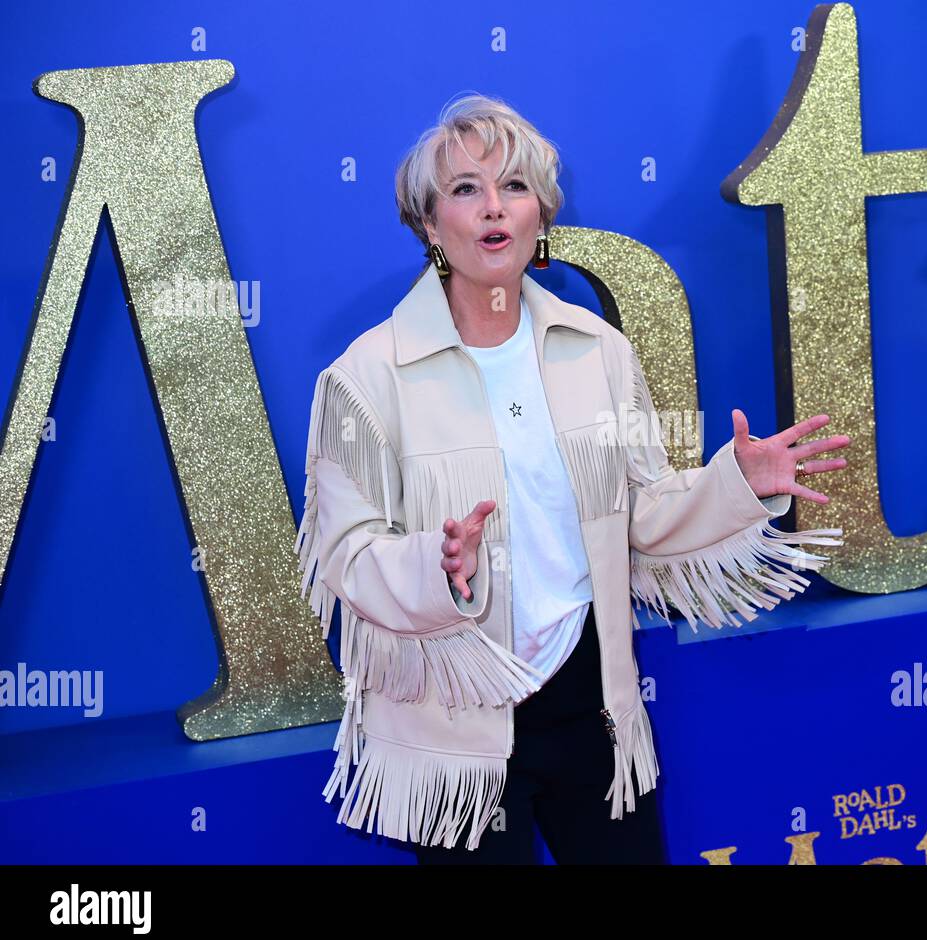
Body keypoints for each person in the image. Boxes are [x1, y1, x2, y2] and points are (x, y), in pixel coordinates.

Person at [294, 92, 850, 864]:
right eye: (465, 189)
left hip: (594, 706)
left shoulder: (596, 349)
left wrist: (737, 484)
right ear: (429, 224)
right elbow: (348, 557)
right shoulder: (364, 377)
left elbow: (641, 514)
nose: (494, 208)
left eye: (514, 188)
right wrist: (439, 566)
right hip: (454, 723)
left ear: (541, 216)